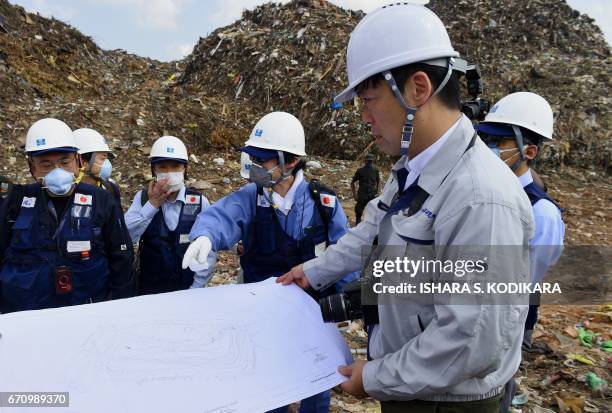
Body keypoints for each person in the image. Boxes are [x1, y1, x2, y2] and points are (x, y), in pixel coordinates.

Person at [278, 4, 534, 412]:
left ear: (417, 89)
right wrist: (311, 274)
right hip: (411, 384)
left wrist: (376, 376)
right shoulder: (412, 169)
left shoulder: (480, 198)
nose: (364, 117)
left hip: (446, 402)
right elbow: (371, 230)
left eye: (369, 99)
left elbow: (471, 340)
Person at [181, 111, 360, 413]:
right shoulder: (252, 198)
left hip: (313, 316)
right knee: (267, 388)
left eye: (262, 160)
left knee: (316, 385)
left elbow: (344, 253)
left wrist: (346, 301)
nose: (254, 167)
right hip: (262, 319)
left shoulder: (323, 203)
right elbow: (223, 215)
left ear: (289, 161)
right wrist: (206, 237)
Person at [476, 92, 565, 412]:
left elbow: (521, 282)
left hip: (503, 324)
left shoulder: (542, 213)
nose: (487, 146)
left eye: (498, 142)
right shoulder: (480, 189)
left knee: (494, 390)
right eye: (484, 137)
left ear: (528, 151)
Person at [0, 118, 133, 313]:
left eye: (64, 161)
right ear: (32, 167)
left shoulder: (101, 199)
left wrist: (121, 309)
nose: (57, 171)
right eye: (46, 164)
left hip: (86, 312)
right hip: (28, 316)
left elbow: (121, 258)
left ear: (78, 161)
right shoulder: (16, 201)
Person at [124, 135, 215, 295]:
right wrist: (152, 205)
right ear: (154, 169)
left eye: (175, 166)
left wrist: (196, 289)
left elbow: (208, 252)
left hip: (187, 290)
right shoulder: (143, 198)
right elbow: (126, 235)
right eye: (163, 167)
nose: (169, 172)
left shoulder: (200, 202)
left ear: (185, 169)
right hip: (150, 290)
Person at [73, 128, 121, 203]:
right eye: (102, 158)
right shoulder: (67, 191)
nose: (107, 162)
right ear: (82, 161)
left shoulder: (111, 189)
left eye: (107, 158)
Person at [351, 153, 380, 224]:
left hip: (372, 194)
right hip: (362, 194)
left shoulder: (376, 170)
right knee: (358, 211)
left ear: (372, 161)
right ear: (365, 161)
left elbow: (378, 181)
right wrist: (354, 195)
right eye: (368, 161)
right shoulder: (360, 171)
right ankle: (358, 224)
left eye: (370, 161)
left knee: (374, 210)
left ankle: (371, 225)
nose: (369, 163)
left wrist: (377, 191)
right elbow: (352, 182)